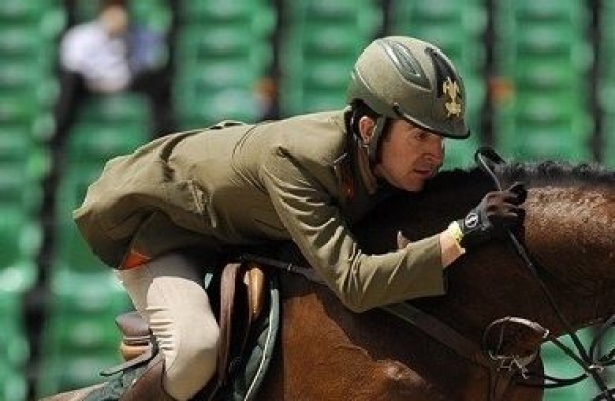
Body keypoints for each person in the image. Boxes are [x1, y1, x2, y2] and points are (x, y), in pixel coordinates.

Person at [70, 36, 526, 400]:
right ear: (370, 129)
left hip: (237, 227)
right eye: (422, 136)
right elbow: (357, 284)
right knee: (196, 350)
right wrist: (462, 234)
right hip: (156, 227)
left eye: (442, 140)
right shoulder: (300, 161)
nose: (436, 154)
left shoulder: (382, 161)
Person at [53, 0, 176, 141]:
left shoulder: (145, 36)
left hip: (128, 82)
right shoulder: (79, 37)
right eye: (111, 10)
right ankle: (58, 139)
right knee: (69, 83)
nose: (117, 15)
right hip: (91, 86)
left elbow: (150, 63)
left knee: (158, 81)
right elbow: (72, 67)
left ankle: (163, 139)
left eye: (121, 10)